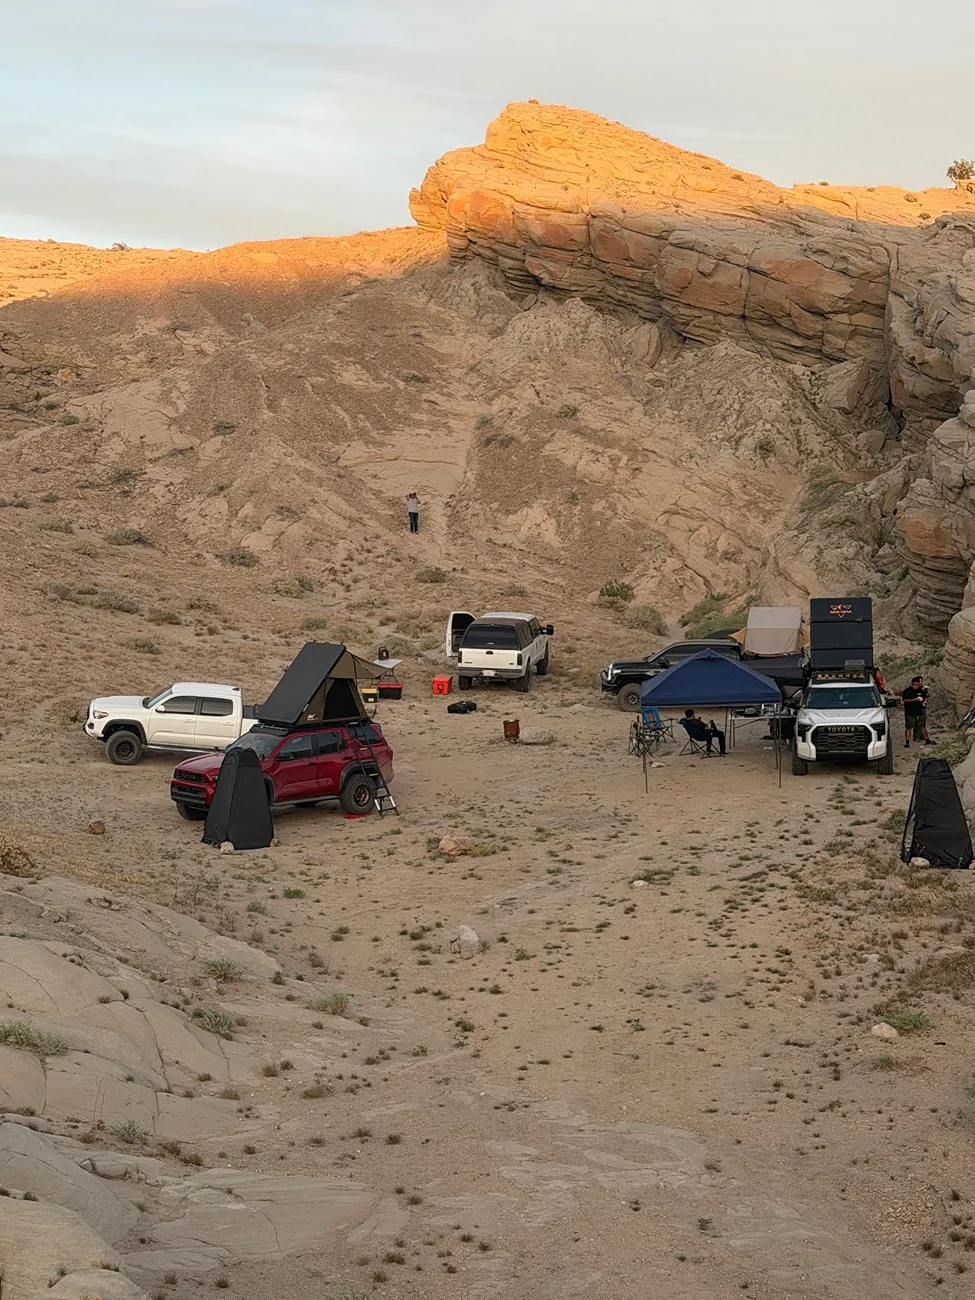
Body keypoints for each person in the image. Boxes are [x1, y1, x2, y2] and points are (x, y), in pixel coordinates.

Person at [900, 675, 933, 748]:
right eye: (915, 685)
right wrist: (914, 699)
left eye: (917, 685)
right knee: (909, 727)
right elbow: (904, 700)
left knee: (922, 726)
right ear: (912, 684)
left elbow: (926, 697)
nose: (916, 686)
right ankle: (907, 742)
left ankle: (927, 740)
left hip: (919, 711)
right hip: (910, 712)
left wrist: (925, 697)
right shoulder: (907, 691)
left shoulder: (921, 690)